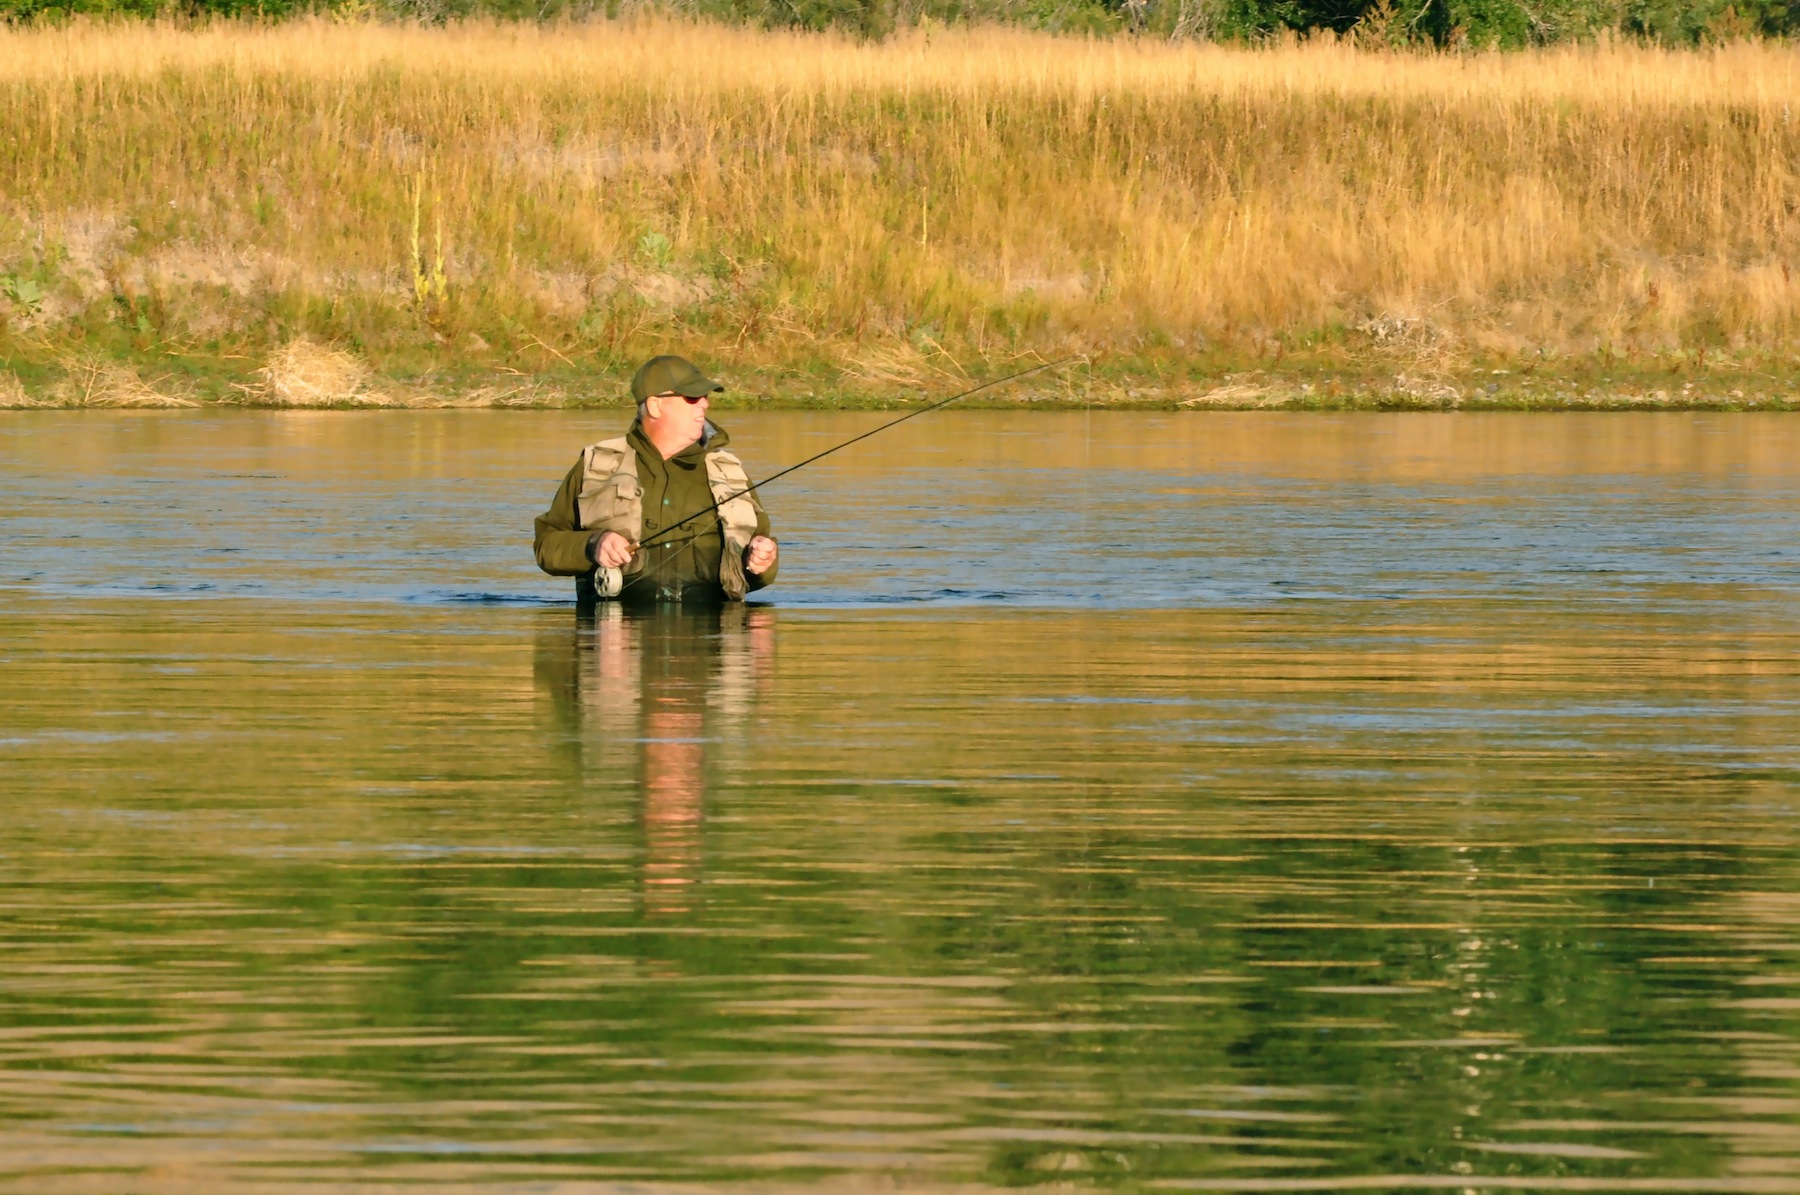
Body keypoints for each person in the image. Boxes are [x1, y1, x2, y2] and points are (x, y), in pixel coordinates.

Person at [534, 355, 779, 607]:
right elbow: (547, 546)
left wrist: (763, 559)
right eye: (692, 397)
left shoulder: (729, 473)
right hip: (614, 637)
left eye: (705, 397)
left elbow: (760, 561)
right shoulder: (597, 465)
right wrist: (593, 545)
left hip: (710, 638)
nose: (704, 404)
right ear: (654, 406)